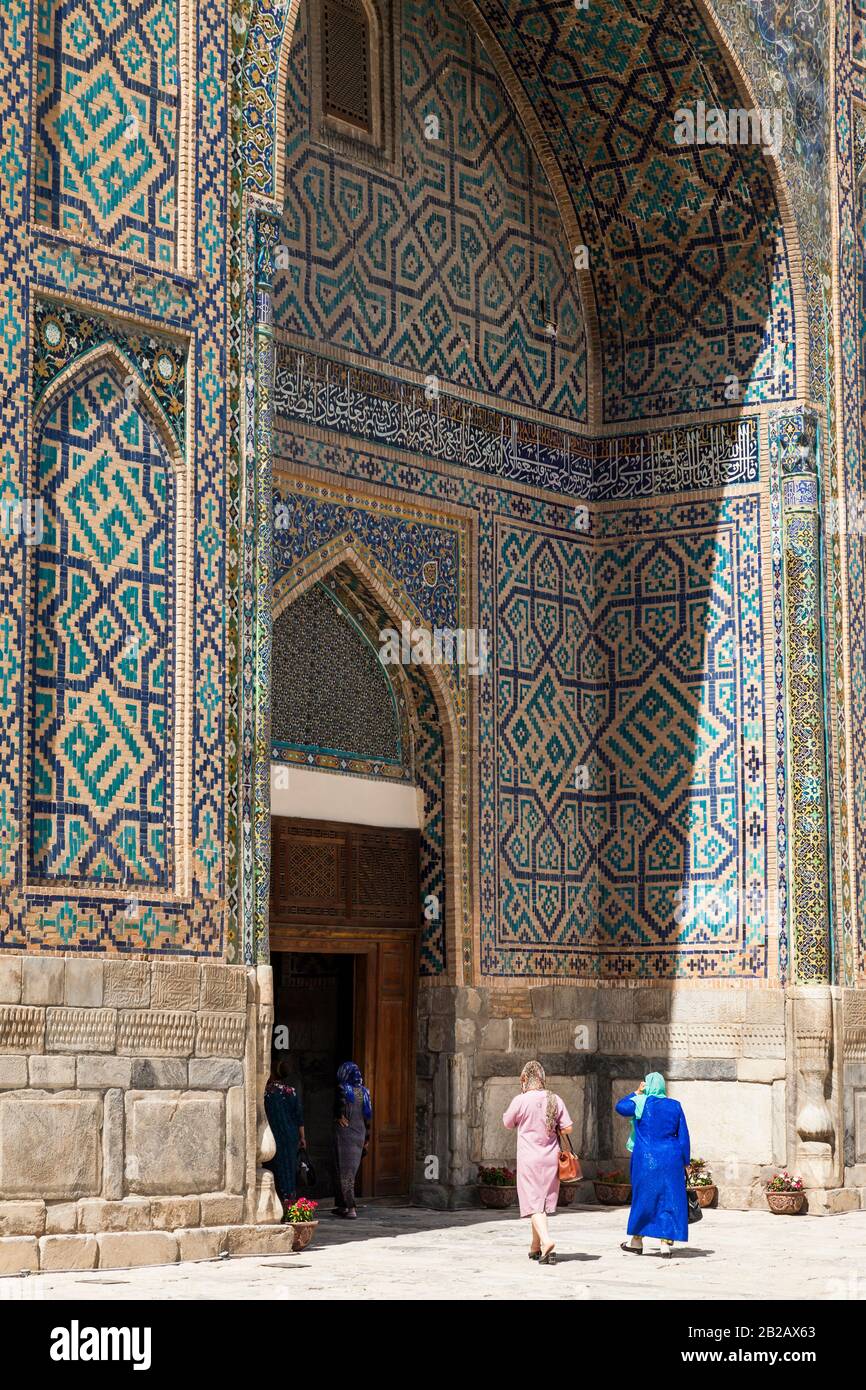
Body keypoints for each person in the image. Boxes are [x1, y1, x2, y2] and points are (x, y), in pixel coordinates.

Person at [502, 1060, 573, 1265]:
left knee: (534, 1204)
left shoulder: (520, 1100)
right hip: (551, 1157)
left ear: (524, 1079)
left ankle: (547, 1240)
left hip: (529, 1159)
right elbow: (568, 1128)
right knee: (540, 1202)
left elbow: (507, 1123)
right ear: (542, 1079)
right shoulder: (554, 1098)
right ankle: (535, 1247)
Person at [615, 1072, 691, 1257]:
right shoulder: (675, 1106)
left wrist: (635, 1092)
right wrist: (685, 1161)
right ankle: (665, 1244)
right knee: (669, 1199)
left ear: (647, 1085)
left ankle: (636, 1241)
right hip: (671, 1159)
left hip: (645, 1160)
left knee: (643, 1199)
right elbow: (683, 1137)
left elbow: (620, 1107)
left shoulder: (640, 1102)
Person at [263, 1057, 306, 1212]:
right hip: (291, 1136)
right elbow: (298, 1116)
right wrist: (302, 1138)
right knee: (289, 1169)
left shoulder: (266, 1093)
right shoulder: (291, 1092)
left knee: (275, 1169)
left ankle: (277, 1206)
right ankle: (290, 1205)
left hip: (273, 1136)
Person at [333, 1061, 371, 1219]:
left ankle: (351, 1208)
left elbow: (338, 1110)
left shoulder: (342, 1089)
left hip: (345, 1136)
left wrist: (338, 1117)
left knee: (345, 1173)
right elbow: (367, 1117)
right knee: (350, 1172)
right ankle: (343, 1206)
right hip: (360, 1134)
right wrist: (367, 1138)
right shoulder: (365, 1092)